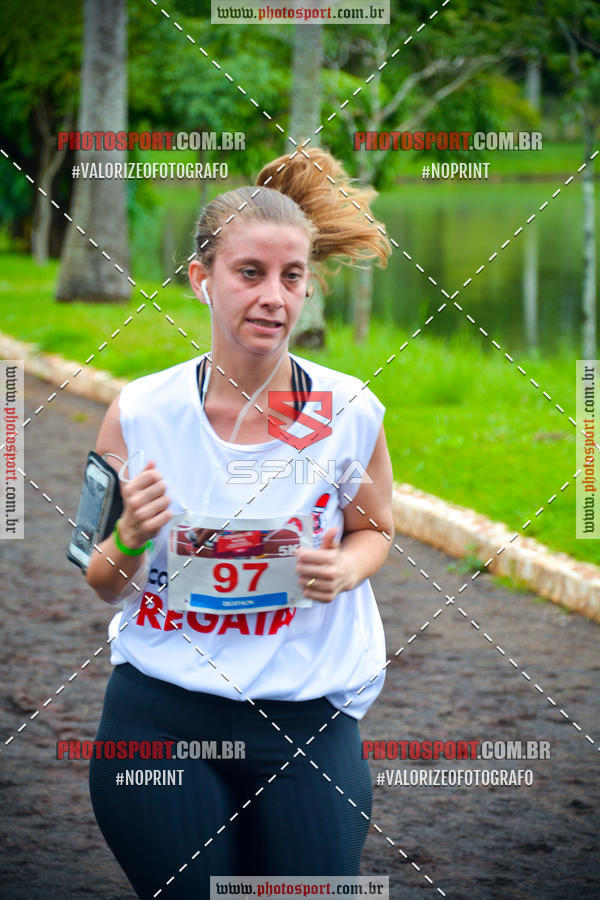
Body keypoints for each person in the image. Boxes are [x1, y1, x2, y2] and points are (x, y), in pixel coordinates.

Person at [86, 147, 394, 899]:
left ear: (308, 285)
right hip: (160, 716)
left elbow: (375, 529)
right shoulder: (142, 412)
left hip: (307, 723)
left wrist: (346, 568)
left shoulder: (347, 411)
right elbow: (100, 580)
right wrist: (129, 537)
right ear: (202, 280)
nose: (272, 297)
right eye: (248, 273)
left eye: (291, 277)